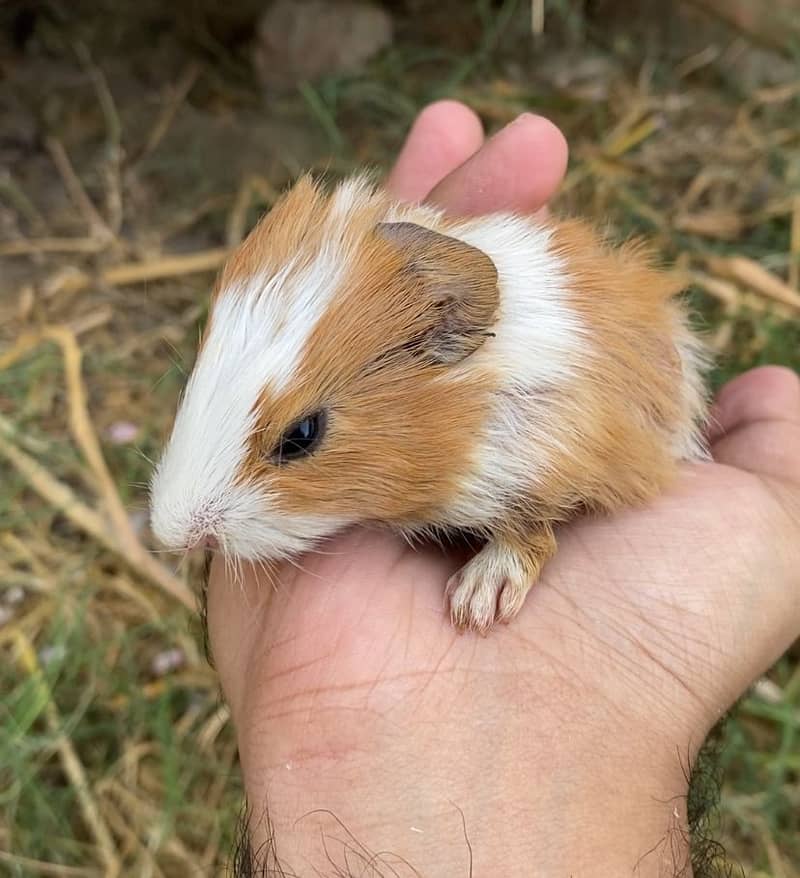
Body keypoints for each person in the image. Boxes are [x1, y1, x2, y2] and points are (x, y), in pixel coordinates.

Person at [206, 101, 800, 877]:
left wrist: (519, 543)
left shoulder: (537, 420)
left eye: (298, 440)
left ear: (450, 344)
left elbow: (593, 462)